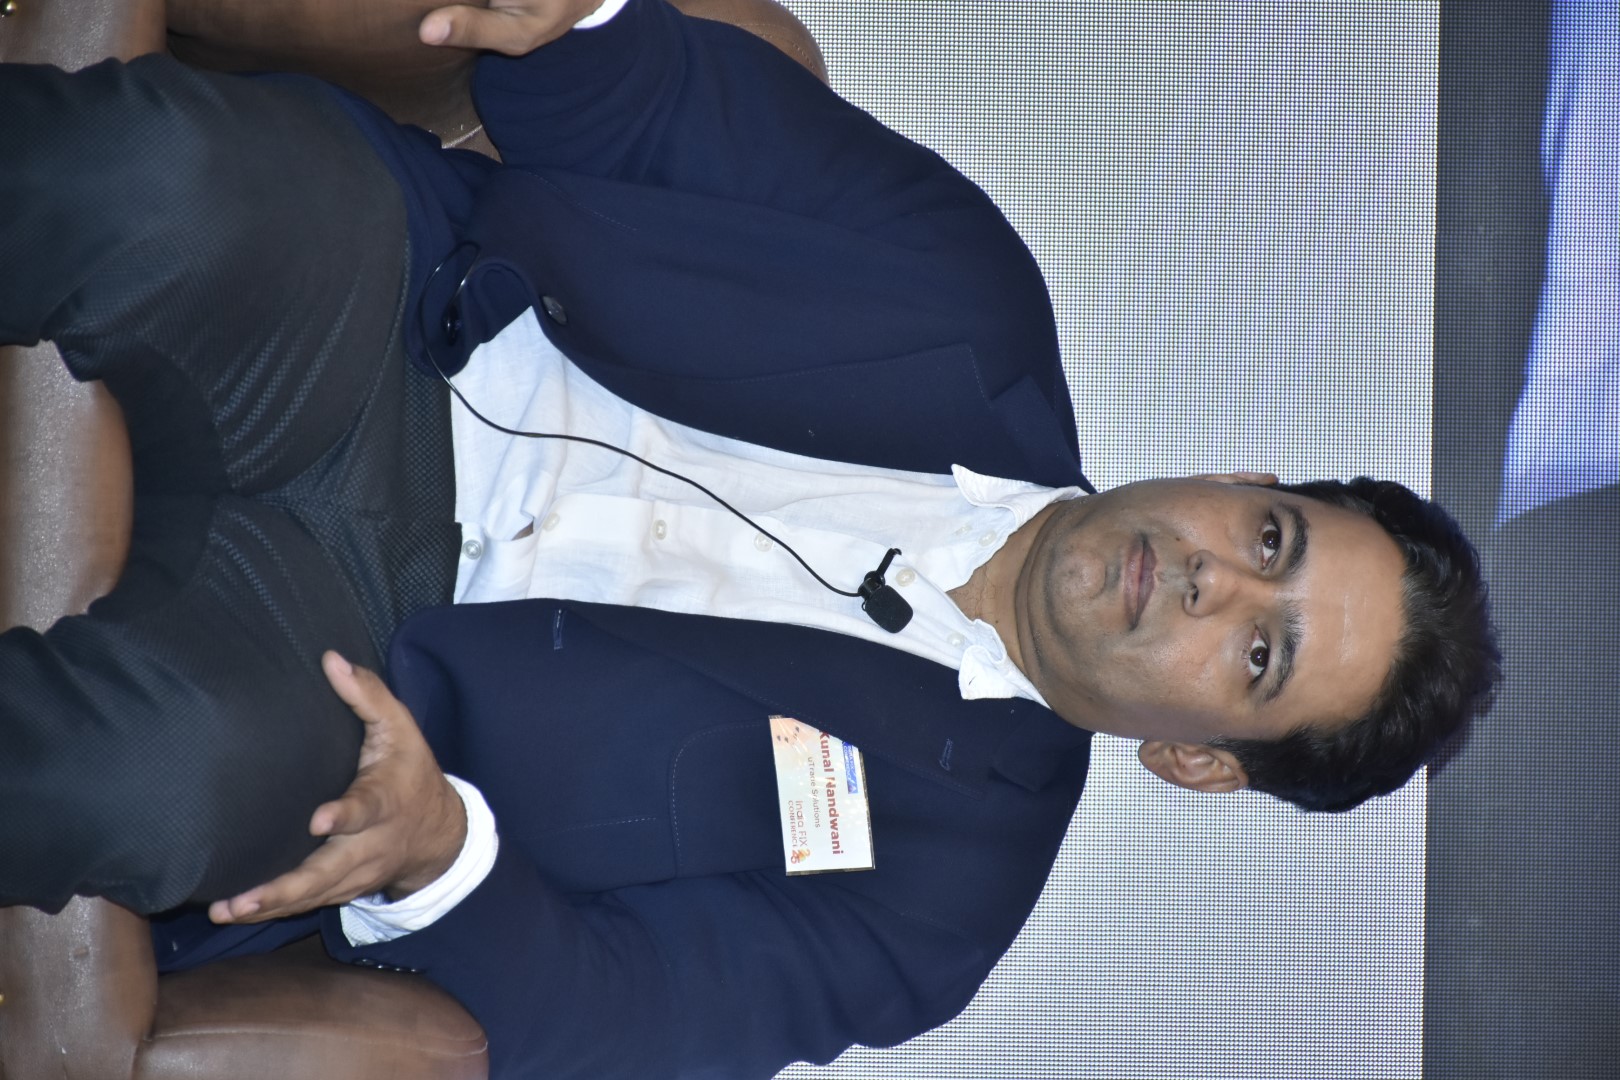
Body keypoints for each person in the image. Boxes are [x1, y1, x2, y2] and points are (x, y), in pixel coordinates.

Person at [0, 1, 1499, 1076]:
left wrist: (444, 854)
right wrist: (573, 21)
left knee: (151, 771)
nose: (1213, 579)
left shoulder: (936, 902)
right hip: (396, 313)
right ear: (1240, 478)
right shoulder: (969, 292)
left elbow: (618, 1017)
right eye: (1271, 538)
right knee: (159, 183)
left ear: (1196, 760)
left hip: (369, 697)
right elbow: (660, 109)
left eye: (1257, 653)